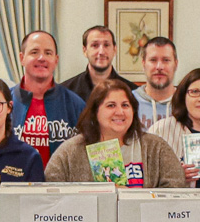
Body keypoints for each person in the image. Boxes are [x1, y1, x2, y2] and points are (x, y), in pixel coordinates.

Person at [46, 77, 189, 187]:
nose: (119, 112)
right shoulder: (70, 150)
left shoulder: (156, 146)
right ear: (95, 111)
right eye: (111, 105)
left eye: (125, 105)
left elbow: (175, 187)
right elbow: (51, 188)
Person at [10, 30, 86, 163]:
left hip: (62, 183)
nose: (41, 58)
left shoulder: (75, 104)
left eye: (48, 53)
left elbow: (91, 149)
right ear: (22, 58)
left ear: (56, 60)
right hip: (13, 182)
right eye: (34, 52)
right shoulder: (3, 102)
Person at [60, 24, 126, 102]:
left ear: (114, 50)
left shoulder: (130, 91)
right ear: (85, 50)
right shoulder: (65, 92)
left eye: (106, 45)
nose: (101, 52)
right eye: (95, 45)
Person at [134, 37, 179, 130]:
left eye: (166, 60)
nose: (159, 67)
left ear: (176, 64)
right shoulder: (128, 101)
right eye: (153, 60)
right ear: (143, 64)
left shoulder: (187, 102)